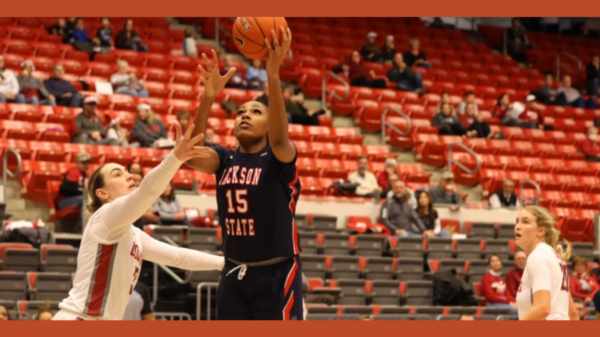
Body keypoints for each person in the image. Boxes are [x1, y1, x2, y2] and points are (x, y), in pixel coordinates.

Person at [186, 30, 304, 320]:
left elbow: (280, 138)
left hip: (276, 272)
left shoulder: (278, 158)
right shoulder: (225, 159)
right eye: (240, 112)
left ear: (269, 125)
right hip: (234, 271)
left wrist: (273, 76)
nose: (245, 115)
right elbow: (190, 154)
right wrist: (208, 96)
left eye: (255, 111)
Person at [52, 123, 224, 321]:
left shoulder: (134, 234)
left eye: (127, 172)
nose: (129, 175)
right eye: (117, 174)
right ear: (102, 193)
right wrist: (176, 157)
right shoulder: (104, 216)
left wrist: (223, 263)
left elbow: (179, 257)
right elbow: (147, 193)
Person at [514, 205, 579, 320]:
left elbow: (542, 308)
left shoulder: (538, 256)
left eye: (525, 222)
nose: (517, 227)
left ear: (541, 230)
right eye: (517, 221)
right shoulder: (556, 257)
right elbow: (573, 313)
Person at [57, 151, 91, 233]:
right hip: (65, 201)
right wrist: (82, 189)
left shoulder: (87, 175)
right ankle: (79, 227)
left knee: (90, 199)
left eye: (88, 163)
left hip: (78, 200)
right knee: (86, 199)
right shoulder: (73, 172)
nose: (86, 165)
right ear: (77, 163)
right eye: (84, 163)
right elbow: (65, 189)